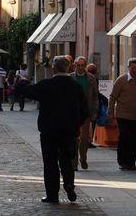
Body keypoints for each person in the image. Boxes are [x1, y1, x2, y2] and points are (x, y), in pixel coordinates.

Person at [21, 56, 89, 204]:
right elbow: (85, 110)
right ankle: (69, 184)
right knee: (67, 160)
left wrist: (22, 81)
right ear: (68, 68)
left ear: (54, 68)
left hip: (49, 130)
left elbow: (27, 92)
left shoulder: (46, 84)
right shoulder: (75, 86)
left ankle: (52, 195)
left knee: (50, 162)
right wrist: (77, 124)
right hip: (69, 131)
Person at [109, 58, 136, 171]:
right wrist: (110, 112)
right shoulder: (121, 80)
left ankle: (131, 162)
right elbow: (113, 97)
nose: (135, 71)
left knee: (134, 139)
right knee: (124, 137)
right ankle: (122, 161)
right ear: (129, 68)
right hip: (122, 115)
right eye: (133, 69)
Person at [69, 57, 97, 170]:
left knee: (84, 139)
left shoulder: (91, 78)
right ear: (75, 65)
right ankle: (74, 163)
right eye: (78, 65)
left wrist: (95, 111)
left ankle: (83, 158)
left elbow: (95, 96)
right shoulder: (70, 77)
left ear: (85, 66)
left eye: (82, 65)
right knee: (74, 138)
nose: (80, 67)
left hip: (86, 112)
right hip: (73, 113)